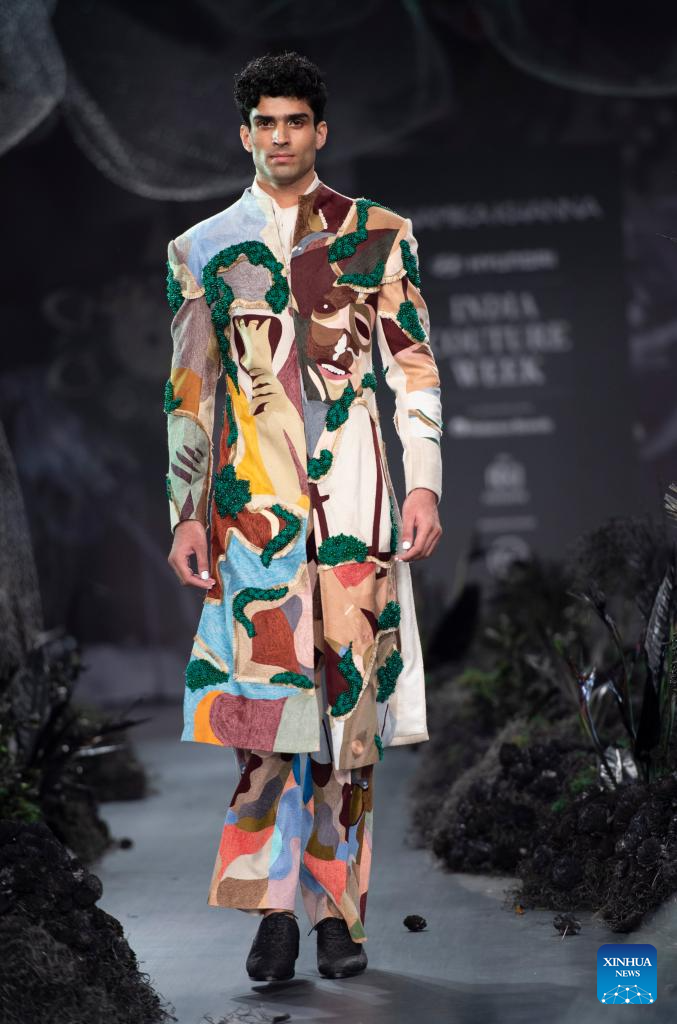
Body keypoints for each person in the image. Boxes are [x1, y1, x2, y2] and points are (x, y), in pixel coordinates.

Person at [165, 50, 443, 982]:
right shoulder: (203, 249)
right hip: (252, 515)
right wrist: (186, 513)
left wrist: (422, 483)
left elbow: (413, 369)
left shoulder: (378, 235)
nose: (279, 137)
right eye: (264, 123)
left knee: (349, 723)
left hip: (357, 504)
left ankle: (337, 917)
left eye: (294, 122)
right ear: (244, 133)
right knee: (263, 724)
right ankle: (273, 913)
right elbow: (189, 392)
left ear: (319, 130)